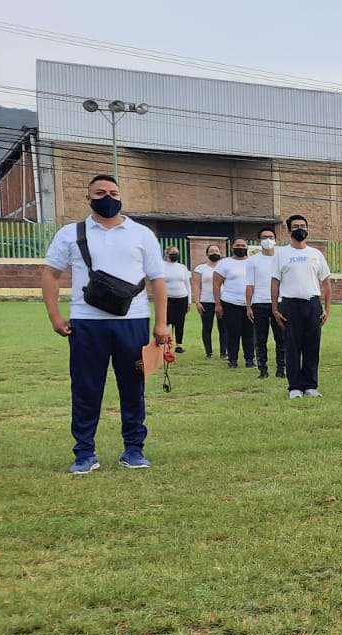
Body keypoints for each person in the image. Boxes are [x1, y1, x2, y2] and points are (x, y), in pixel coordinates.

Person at [42, 174, 172, 473]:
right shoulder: (70, 234)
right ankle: (85, 453)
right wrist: (55, 316)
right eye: (99, 193)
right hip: (87, 324)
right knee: (86, 388)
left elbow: (157, 279)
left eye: (113, 192)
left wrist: (162, 323)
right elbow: (51, 274)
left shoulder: (141, 234)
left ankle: (134, 450)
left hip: (134, 321)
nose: (108, 197)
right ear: (88, 199)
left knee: (133, 387)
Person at [271, 214, 331, 399]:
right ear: (289, 231)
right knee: (293, 346)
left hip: (312, 304)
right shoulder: (281, 253)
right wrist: (275, 309)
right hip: (290, 304)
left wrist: (327, 308)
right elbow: (275, 282)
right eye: (295, 226)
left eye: (303, 226)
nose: (300, 229)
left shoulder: (315, 254)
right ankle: (295, 387)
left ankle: (311, 385)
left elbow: (326, 281)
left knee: (312, 346)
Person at [246, 227, 286, 380]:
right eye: (264, 237)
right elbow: (250, 285)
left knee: (281, 338)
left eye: (270, 237)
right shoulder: (253, 261)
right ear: (258, 241)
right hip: (259, 303)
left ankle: (281, 369)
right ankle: (263, 370)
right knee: (260, 339)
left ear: (275, 239)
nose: (268, 240)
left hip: (280, 302)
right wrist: (249, 306)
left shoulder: (281, 258)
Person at [214, 237, 255, 369]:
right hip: (230, 302)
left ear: (247, 247)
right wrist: (218, 304)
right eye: (238, 245)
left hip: (250, 304)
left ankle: (250, 359)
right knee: (232, 333)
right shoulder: (224, 263)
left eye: (243, 245)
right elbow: (216, 284)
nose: (241, 248)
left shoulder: (253, 262)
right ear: (232, 247)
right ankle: (232, 360)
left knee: (250, 333)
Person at [191, 244, 223, 360]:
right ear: (207, 254)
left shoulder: (223, 267)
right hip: (206, 301)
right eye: (211, 251)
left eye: (216, 250)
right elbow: (196, 286)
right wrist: (197, 301)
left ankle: (224, 352)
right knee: (207, 327)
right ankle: (209, 352)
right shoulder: (200, 268)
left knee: (223, 328)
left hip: (222, 300)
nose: (214, 252)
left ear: (220, 253)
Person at [160, 245, 192, 354]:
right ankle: (167, 343)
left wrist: (189, 301)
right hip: (167, 298)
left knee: (180, 321)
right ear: (167, 254)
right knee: (168, 321)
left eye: (177, 252)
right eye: (173, 252)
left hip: (181, 298)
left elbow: (187, 284)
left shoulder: (182, 267)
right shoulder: (161, 266)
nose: (175, 254)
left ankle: (179, 344)